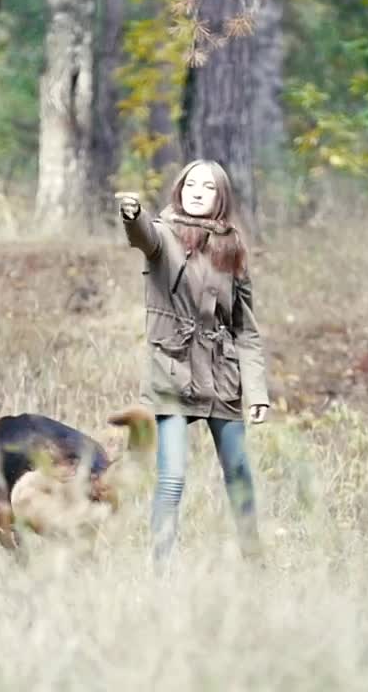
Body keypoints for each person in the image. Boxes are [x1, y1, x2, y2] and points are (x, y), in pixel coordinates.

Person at [116, 159, 271, 567]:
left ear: (221, 197)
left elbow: (247, 329)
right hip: (174, 371)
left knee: (238, 474)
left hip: (223, 374)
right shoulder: (163, 235)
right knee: (172, 480)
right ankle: (160, 571)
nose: (197, 191)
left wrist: (256, 393)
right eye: (190, 184)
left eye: (207, 186)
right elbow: (143, 235)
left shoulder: (232, 246)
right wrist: (132, 216)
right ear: (179, 189)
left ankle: (256, 564)